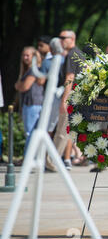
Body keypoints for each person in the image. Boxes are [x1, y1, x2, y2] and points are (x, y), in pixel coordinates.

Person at [45, 30, 85, 171]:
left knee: (62, 131)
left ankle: (51, 162)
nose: (61, 40)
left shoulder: (72, 54)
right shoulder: (78, 53)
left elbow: (70, 79)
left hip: (72, 96)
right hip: (78, 97)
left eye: (63, 37)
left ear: (72, 38)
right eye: (60, 37)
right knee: (66, 131)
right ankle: (53, 161)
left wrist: (64, 101)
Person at [14, 47, 43, 153]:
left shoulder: (34, 70)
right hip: (28, 104)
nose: (25, 58)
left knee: (30, 133)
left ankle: (28, 158)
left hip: (33, 104)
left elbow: (24, 87)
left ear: (34, 56)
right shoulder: (28, 70)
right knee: (29, 132)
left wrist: (18, 85)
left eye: (27, 55)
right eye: (23, 55)